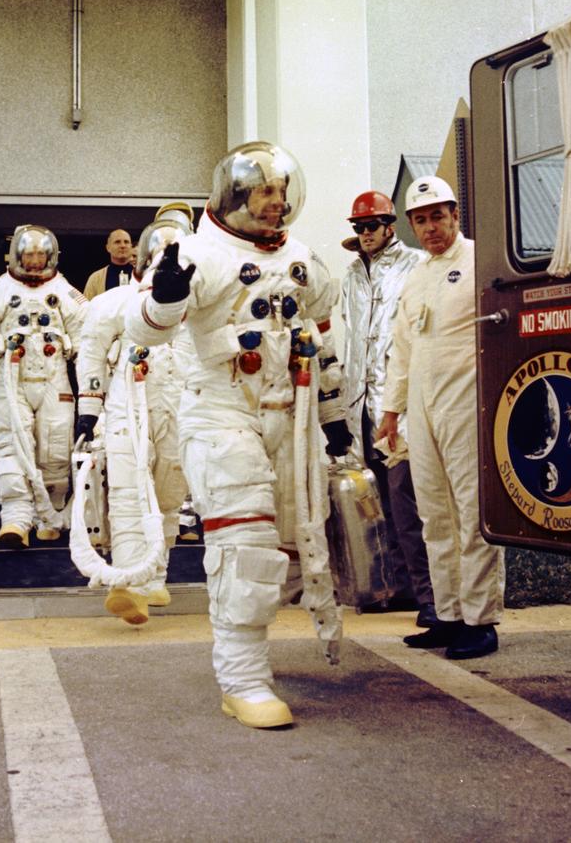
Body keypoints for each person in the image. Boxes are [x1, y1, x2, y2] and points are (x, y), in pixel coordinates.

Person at [125, 141, 350, 729]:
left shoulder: (301, 258)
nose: (276, 202)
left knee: (296, 541)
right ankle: (244, 681)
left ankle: (262, 647)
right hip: (222, 414)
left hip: (289, 416)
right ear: (237, 195)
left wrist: (334, 415)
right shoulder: (195, 254)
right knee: (243, 546)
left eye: (281, 191)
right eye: (264, 191)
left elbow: (319, 340)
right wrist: (166, 297)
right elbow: (143, 331)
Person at [377, 177, 504, 660]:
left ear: (455, 215)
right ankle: (448, 614)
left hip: (467, 400)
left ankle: (481, 619)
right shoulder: (417, 276)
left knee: (471, 511)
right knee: (433, 513)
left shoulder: (478, 262)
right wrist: (391, 410)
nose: (431, 228)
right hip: (422, 405)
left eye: (437, 216)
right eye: (421, 220)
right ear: (411, 226)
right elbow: (402, 349)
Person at [74, 219, 190, 625]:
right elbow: (91, 351)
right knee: (126, 490)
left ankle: (156, 575)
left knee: (169, 490)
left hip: (180, 404)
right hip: (128, 403)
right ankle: (128, 585)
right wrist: (89, 407)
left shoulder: (199, 304)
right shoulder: (114, 302)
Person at [0, 225, 87, 549]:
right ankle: (16, 519)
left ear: (51, 257)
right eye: (29, 255)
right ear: (17, 256)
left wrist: (93, 379)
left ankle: (50, 515)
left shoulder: (67, 294)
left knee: (54, 446)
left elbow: (86, 336)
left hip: (54, 380)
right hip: (10, 382)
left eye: (40, 255)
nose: (35, 261)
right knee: (10, 445)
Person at [339, 191, 436, 624]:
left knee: (406, 500)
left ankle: (430, 595)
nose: (365, 234)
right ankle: (396, 588)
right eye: (358, 227)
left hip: (399, 404)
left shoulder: (416, 265)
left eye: (371, 226)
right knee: (374, 503)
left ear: (389, 226)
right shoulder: (351, 276)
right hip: (360, 406)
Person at [84, 229, 135, 299]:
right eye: (117, 242)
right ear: (108, 248)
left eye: (126, 242)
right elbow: (87, 304)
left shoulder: (143, 276)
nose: (123, 245)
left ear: (131, 247)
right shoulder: (95, 278)